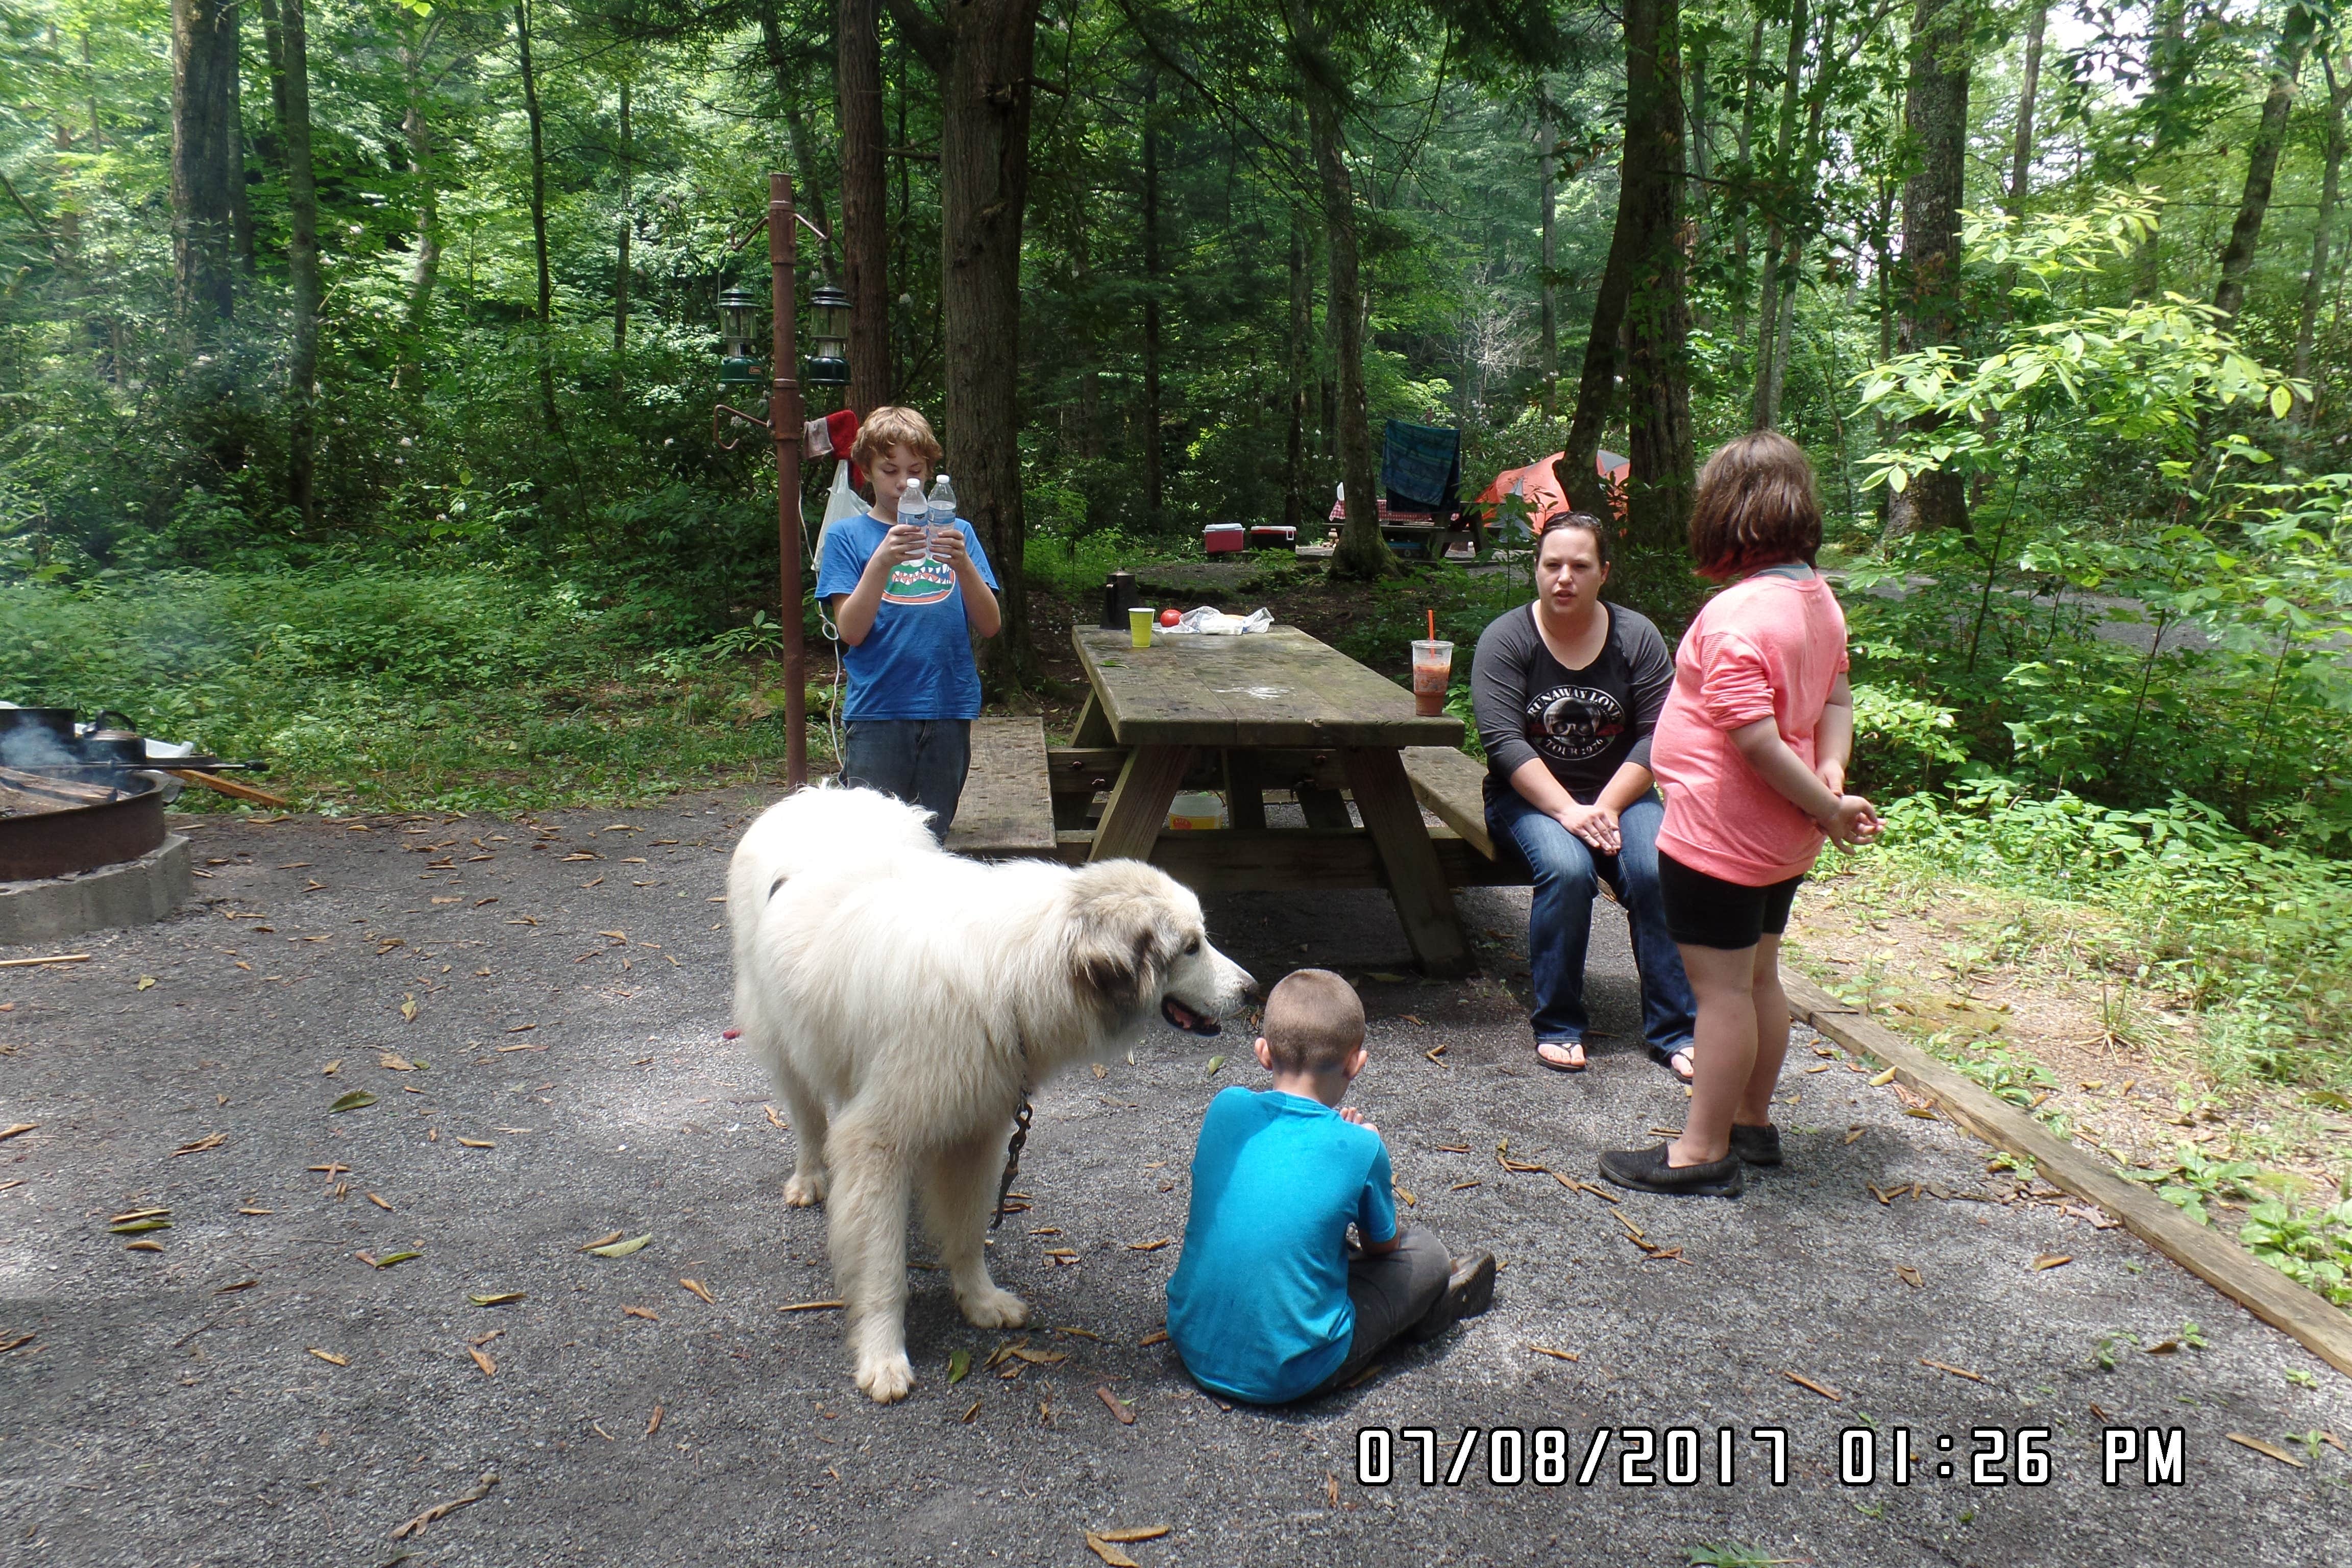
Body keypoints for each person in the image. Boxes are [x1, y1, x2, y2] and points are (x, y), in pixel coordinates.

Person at [1600, 432, 1880, 1198]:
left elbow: (1754, 742)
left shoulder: (1737, 615)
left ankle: (1701, 1151)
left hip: (1720, 837)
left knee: (1720, 992)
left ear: (1730, 516)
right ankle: (1752, 1123)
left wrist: (1825, 803)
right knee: (1759, 976)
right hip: (1782, 838)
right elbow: (1834, 701)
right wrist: (1829, 780)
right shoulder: (1817, 598)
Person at [1164, 969, 1497, 1405]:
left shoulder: (1225, 1107)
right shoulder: (1360, 1146)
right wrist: (1365, 1147)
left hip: (1193, 1338)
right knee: (1427, 1254)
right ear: (1356, 1063)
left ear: (1263, 1053)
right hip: (1293, 1371)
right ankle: (1433, 1310)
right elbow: (1382, 1249)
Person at [1471, 512, 1698, 1079]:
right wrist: (1569, 811)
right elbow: (1503, 742)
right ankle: (1559, 1022)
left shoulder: (1635, 636)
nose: (1564, 578)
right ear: (1537, 570)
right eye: (1552, 565)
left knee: (1655, 870)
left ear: (1604, 573)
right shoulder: (1508, 637)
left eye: (1580, 566)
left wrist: (1608, 806)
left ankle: (1675, 1029)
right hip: (1528, 798)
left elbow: (1657, 735)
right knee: (1568, 871)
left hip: (1619, 794)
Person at [815, 406, 1001, 841]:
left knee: (932, 840)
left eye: (915, 470)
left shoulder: (959, 533)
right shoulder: (847, 537)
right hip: (879, 711)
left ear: (930, 472)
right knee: (872, 843)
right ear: (866, 472)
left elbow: (991, 625)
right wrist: (881, 561)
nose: (903, 482)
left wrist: (964, 567)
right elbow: (851, 631)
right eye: (889, 470)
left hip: (949, 706)